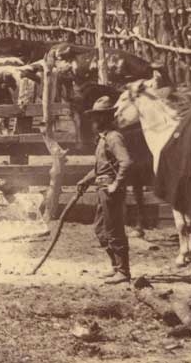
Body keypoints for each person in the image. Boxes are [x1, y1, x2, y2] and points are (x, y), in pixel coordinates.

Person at [76, 96, 133, 285]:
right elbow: (102, 167)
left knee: (114, 229)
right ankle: (115, 267)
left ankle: (123, 271)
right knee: (101, 229)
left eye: (98, 117)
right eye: (94, 116)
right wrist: (85, 180)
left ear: (107, 117)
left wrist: (116, 184)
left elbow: (125, 162)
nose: (95, 121)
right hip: (102, 187)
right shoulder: (103, 138)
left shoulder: (114, 138)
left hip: (110, 190)